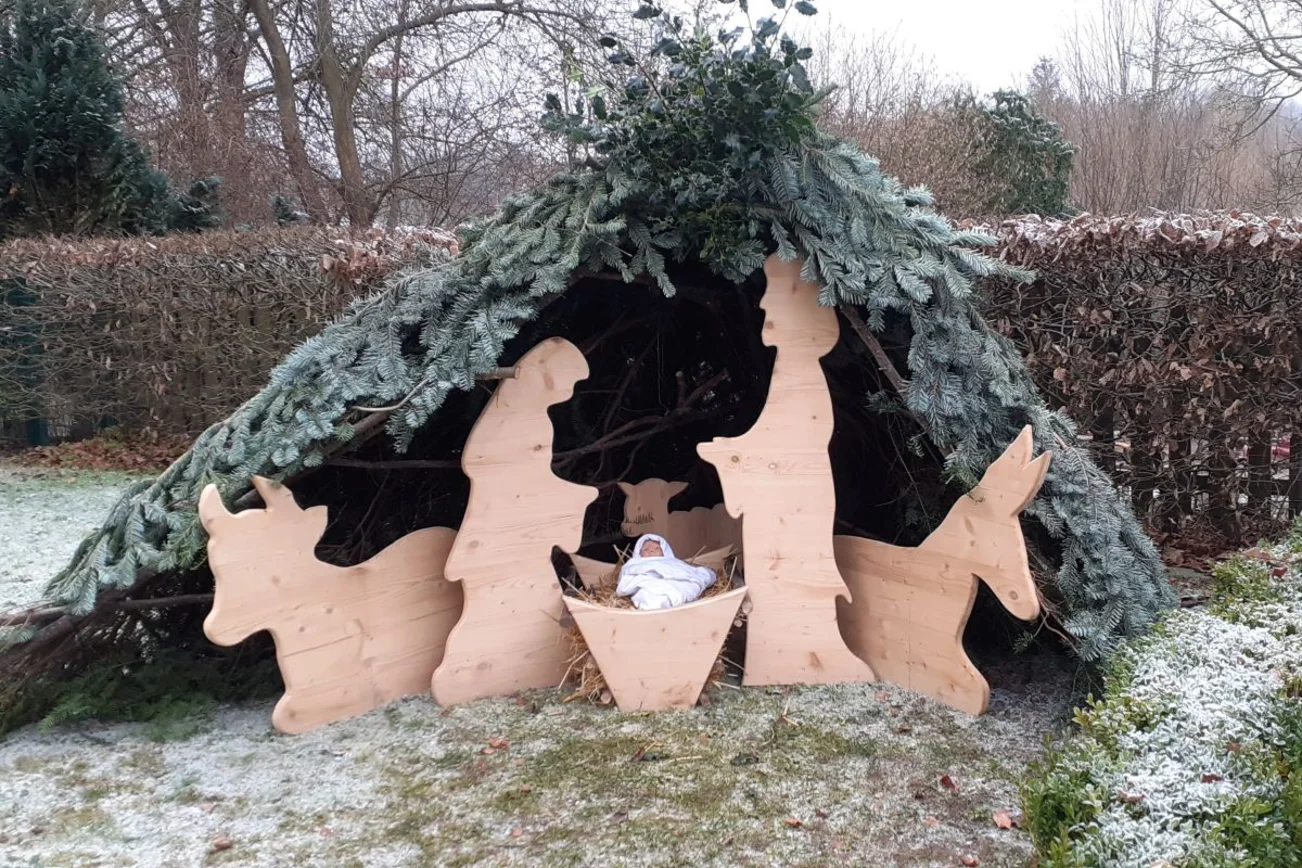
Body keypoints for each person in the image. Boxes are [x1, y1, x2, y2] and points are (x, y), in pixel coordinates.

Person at [616, 534, 717, 610]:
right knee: (651, 598)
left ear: (664, 551)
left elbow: (687, 571)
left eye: (656, 548)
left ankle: (675, 597)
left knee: (694, 581)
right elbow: (625, 576)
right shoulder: (634, 563)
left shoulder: (672, 562)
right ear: (639, 553)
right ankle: (659, 603)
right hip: (648, 584)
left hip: (675, 582)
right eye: (646, 549)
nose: (651, 550)